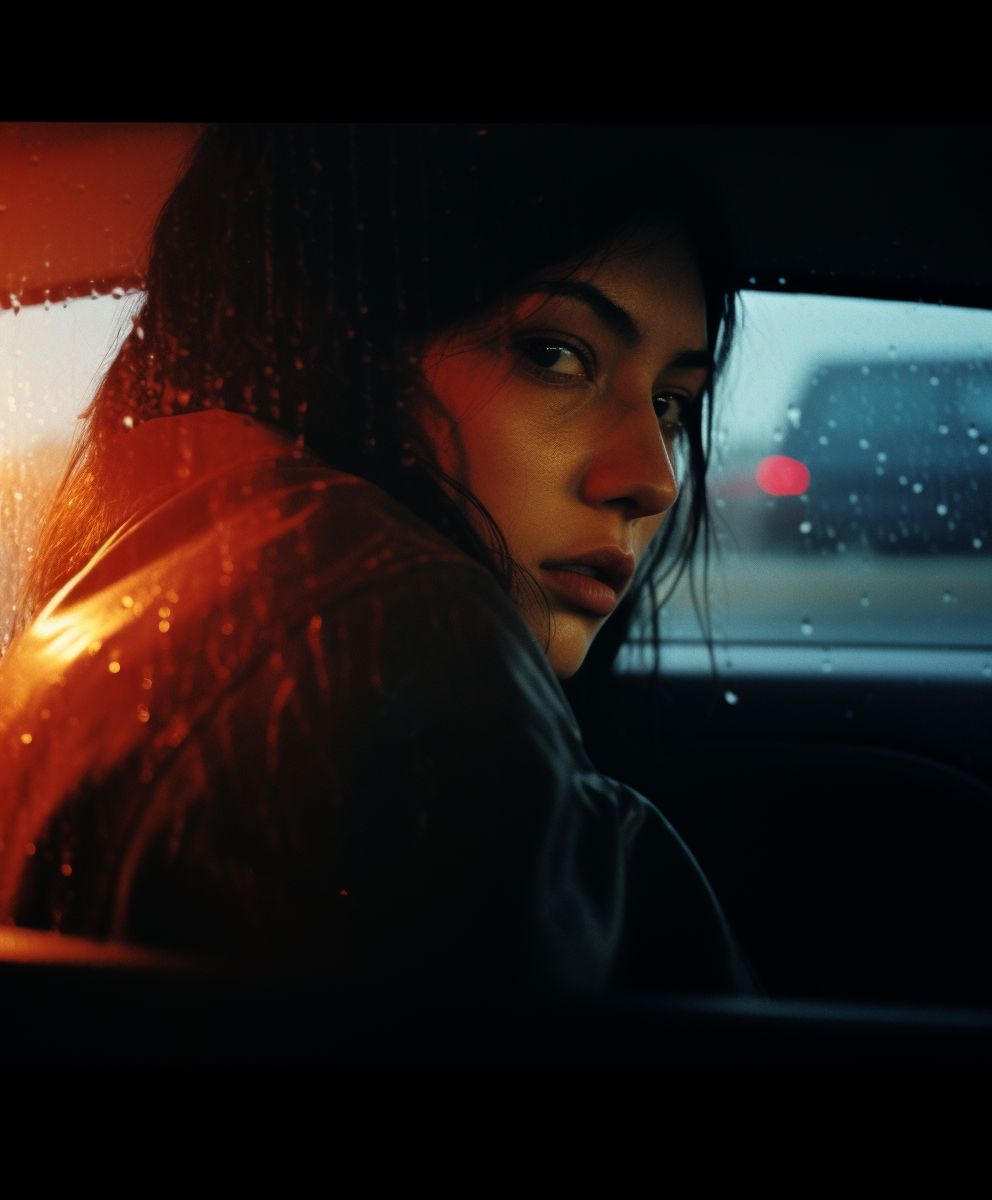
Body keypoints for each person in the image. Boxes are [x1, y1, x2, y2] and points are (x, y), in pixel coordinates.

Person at [0, 124, 754, 994]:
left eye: (671, 403)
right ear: (340, 332)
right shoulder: (387, 643)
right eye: (555, 355)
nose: (653, 482)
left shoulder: (163, 584)